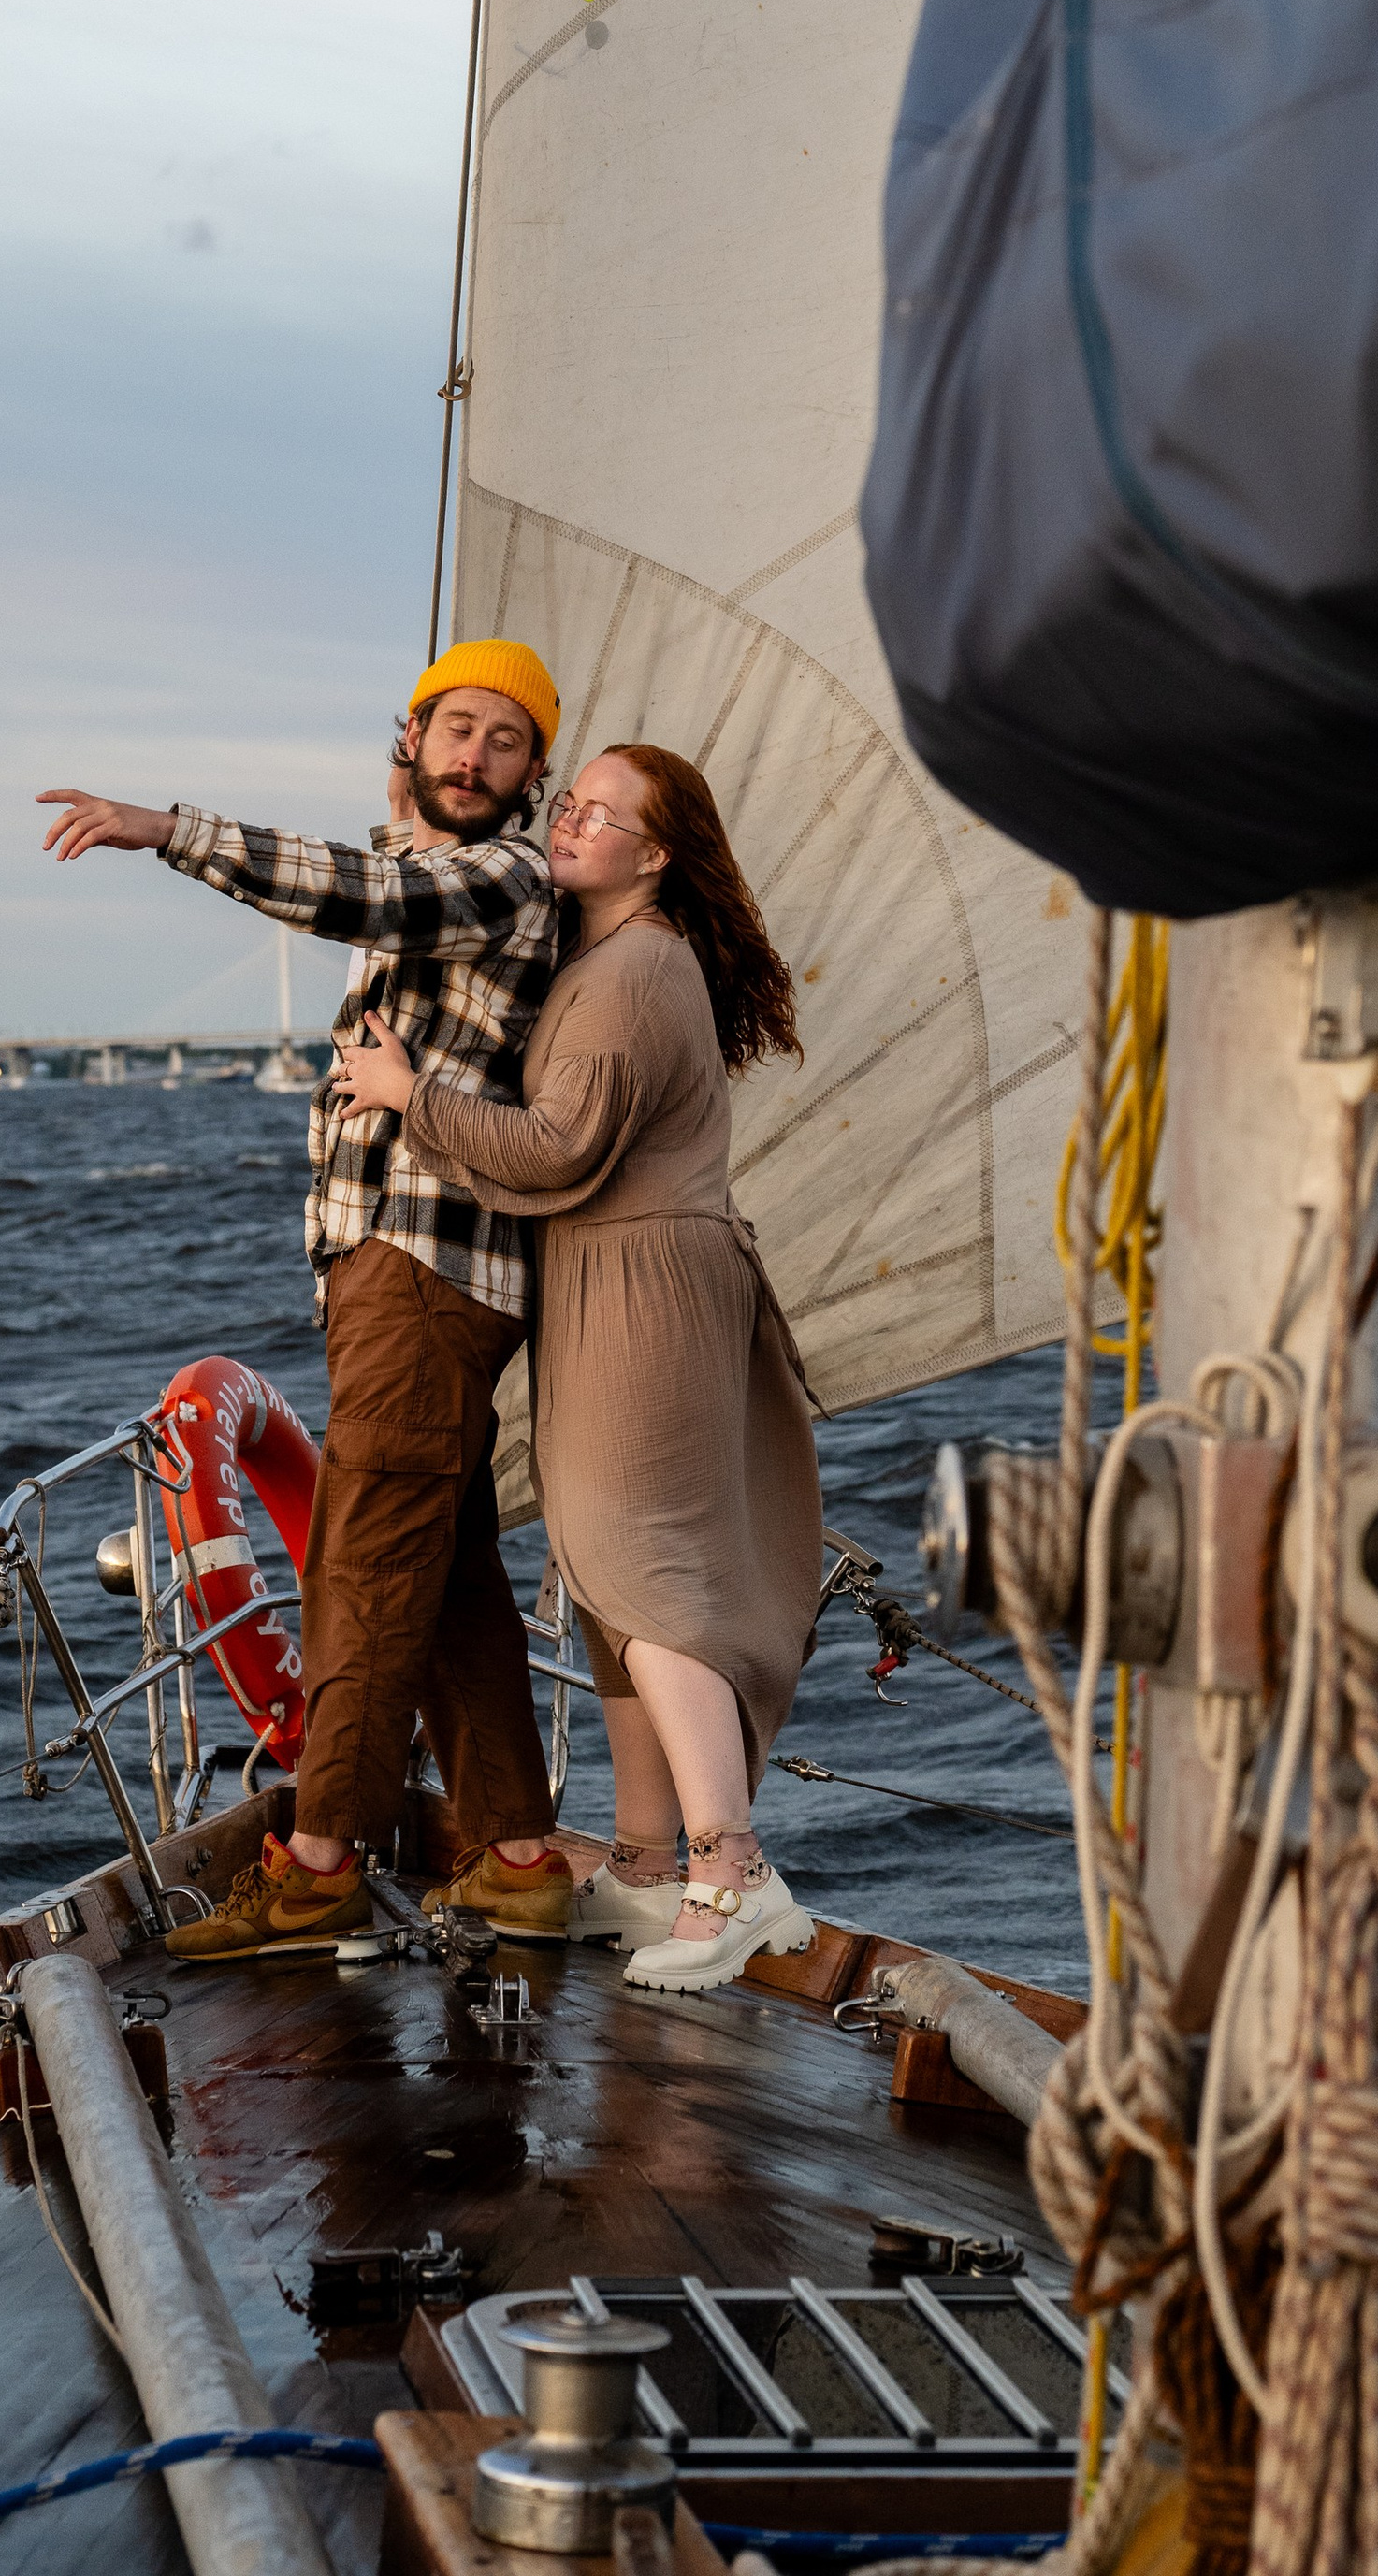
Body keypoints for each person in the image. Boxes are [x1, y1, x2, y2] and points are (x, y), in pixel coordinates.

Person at [36, 641, 577, 1954]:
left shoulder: (501, 875)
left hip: (423, 1267)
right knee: (447, 1573)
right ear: (416, 738)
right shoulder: (444, 867)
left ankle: (320, 1865)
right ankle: (519, 1857)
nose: (473, 757)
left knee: (365, 1565)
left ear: (535, 773)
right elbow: (393, 858)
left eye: (504, 741)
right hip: (398, 1270)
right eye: (454, 728)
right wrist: (398, 782)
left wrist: (169, 829)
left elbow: (366, 886)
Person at [337, 742, 824, 1995]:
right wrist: (407, 827)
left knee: (642, 1566)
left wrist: (408, 1091)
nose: (571, 818)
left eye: (599, 811)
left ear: (654, 855)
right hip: (618, 1280)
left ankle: (734, 1867)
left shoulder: (636, 968)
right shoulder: (606, 956)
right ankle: (652, 1860)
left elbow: (556, 1148)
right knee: (606, 1575)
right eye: (572, 800)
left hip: (642, 1285)